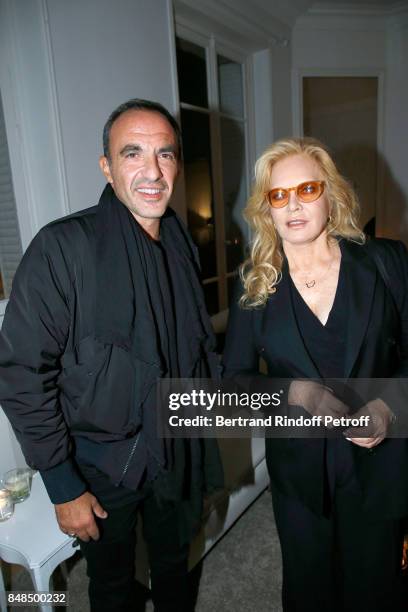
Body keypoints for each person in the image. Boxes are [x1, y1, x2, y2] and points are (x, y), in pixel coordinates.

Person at [0, 99, 223, 612]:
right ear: (106, 166)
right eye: (133, 154)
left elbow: (194, 346)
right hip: (103, 464)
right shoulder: (62, 248)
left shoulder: (180, 240)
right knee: (112, 586)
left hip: (174, 446)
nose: (152, 171)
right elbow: (21, 372)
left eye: (165, 155)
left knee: (174, 564)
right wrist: (62, 485)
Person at [222, 137, 408, 612]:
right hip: (300, 476)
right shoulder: (254, 283)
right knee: (309, 591)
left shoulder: (387, 261)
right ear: (267, 209)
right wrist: (294, 391)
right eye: (278, 195)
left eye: (306, 189)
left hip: (378, 466)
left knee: (375, 587)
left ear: (331, 194)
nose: (293, 205)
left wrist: (388, 407)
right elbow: (235, 382)